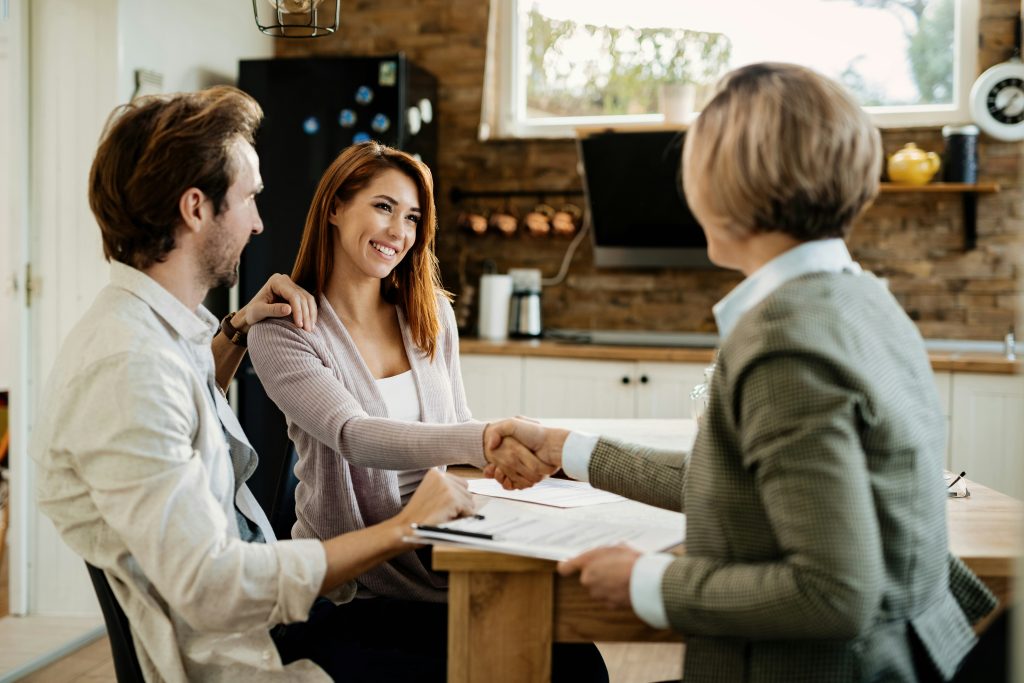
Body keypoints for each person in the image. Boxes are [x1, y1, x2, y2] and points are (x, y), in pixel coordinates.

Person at [486, 63, 997, 682]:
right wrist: (568, 449)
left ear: (723, 186)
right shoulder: (863, 299)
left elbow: (833, 594)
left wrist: (649, 580)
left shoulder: (787, 341)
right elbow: (740, 484)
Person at [32, 86, 479, 682]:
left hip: (275, 623)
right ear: (196, 208)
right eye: (249, 198)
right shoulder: (129, 368)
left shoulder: (156, 336)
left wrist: (237, 327)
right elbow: (213, 585)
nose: (260, 221)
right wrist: (401, 529)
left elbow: (197, 399)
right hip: (254, 656)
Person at [247, 142, 607, 681]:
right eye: (384, 207)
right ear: (335, 208)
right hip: (354, 589)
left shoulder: (429, 311)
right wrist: (486, 437)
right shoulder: (284, 332)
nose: (399, 231)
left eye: (412, 217)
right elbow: (354, 434)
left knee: (578, 661)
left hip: (448, 552)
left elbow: (455, 426)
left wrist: (510, 453)